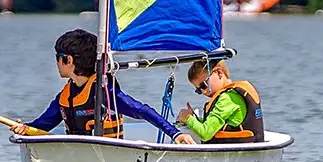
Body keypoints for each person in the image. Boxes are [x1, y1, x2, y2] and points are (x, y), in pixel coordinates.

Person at [10, 29, 195, 144]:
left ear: (69, 60)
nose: (56, 62)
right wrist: (25, 128)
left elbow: (142, 111)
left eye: (58, 57)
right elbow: (44, 124)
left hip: (105, 159)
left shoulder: (105, 92)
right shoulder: (66, 95)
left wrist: (175, 133)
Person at [176, 60, 264, 144]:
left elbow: (206, 133)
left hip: (235, 154)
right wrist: (195, 119)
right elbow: (217, 124)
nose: (203, 92)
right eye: (198, 90)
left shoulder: (228, 98)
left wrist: (187, 118)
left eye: (203, 85)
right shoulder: (232, 95)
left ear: (219, 73)